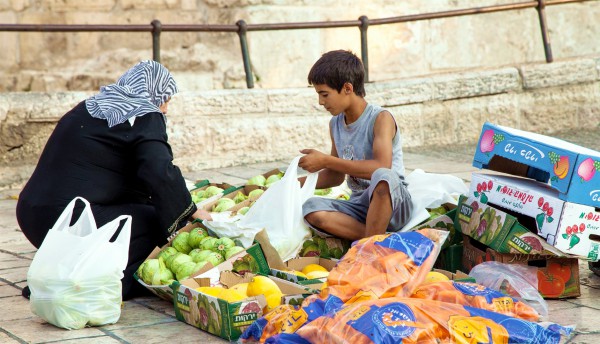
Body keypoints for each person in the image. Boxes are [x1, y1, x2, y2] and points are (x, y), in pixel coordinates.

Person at [16, 60, 211, 300]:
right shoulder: (144, 112)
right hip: (68, 220)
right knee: (157, 222)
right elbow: (158, 170)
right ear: (154, 94)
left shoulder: (92, 106)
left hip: (34, 218)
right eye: (165, 100)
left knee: (147, 208)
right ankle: (101, 284)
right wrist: (190, 210)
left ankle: (65, 274)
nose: (166, 109)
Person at [299, 50, 412, 241]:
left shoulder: (380, 118)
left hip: (393, 203)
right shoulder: (335, 124)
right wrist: (290, 185)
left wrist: (326, 160)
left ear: (347, 88)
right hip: (360, 206)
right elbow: (335, 176)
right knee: (310, 209)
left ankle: (369, 245)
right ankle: (378, 238)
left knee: (383, 176)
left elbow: (381, 166)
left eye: (324, 94)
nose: (320, 102)